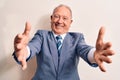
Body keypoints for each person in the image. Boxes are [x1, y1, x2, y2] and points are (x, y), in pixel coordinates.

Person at [13, 4, 114, 80]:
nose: (60, 21)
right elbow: (33, 47)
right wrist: (24, 51)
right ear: (51, 19)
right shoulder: (41, 35)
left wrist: (94, 54)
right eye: (56, 16)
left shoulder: (77, 38)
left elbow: (84, 49)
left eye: (65, 18)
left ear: (70, 22)